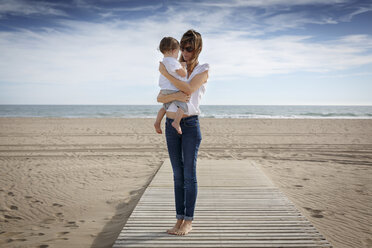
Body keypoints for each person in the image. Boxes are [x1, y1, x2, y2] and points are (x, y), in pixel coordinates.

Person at [157, 29, 209, 236]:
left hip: (189, 126)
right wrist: (173, 91)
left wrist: (165, 75)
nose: (185, 53)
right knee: (177, 176)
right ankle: (179, 219)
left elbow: (188, 90)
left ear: (197, 48)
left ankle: (188, 221)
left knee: (189, 175)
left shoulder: (203, 69)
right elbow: (160, 98)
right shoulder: (176, 66)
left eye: (189, 48)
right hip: (172, 126)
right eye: (183, 48)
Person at [154, 37, 188, 135]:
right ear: (173, 51)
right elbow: (183, 74)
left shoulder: (164, 62)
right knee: (183, 106)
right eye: (178, 53)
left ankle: (157, 122)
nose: (178, 55)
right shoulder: (173, 61)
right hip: (172, 89)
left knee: (165, 107)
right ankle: (176, 122)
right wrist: (183, 67)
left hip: (164, 89)